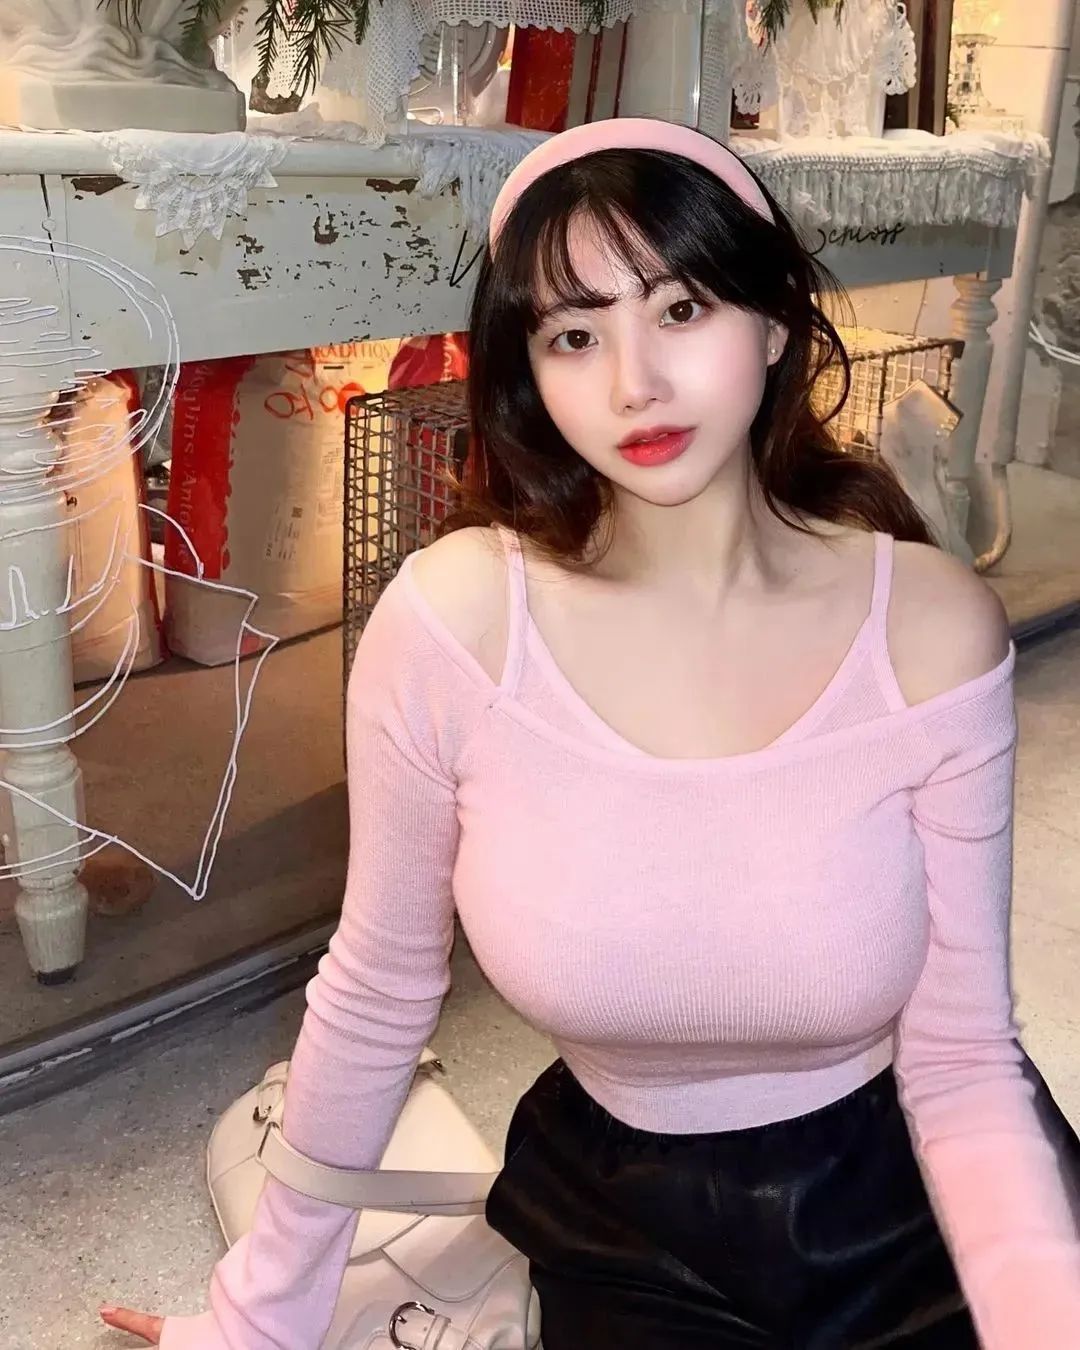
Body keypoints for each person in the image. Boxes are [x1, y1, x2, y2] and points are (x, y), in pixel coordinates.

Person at [102, 118, 1080, 1349]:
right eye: (575, 333)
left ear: (775, 324)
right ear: (529, 370)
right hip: (627, 1225)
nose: (634, 383)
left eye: (682, 310)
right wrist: (262, 1318)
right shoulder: (456, 625)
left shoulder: (931, 628)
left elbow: (965, 1057)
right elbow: (378, 986)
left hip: (915, 1201)